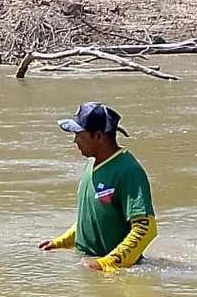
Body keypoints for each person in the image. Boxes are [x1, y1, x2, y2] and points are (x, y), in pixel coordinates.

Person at [37, 102, 157, 271]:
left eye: (79, 134)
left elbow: (146, 228)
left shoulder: (128, 171)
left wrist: (107, 263)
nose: (75, 140)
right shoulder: (91, 164)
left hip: (116, 273)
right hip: (88, 266)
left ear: (99, 136)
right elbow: (93, 217)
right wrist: (61, 242)